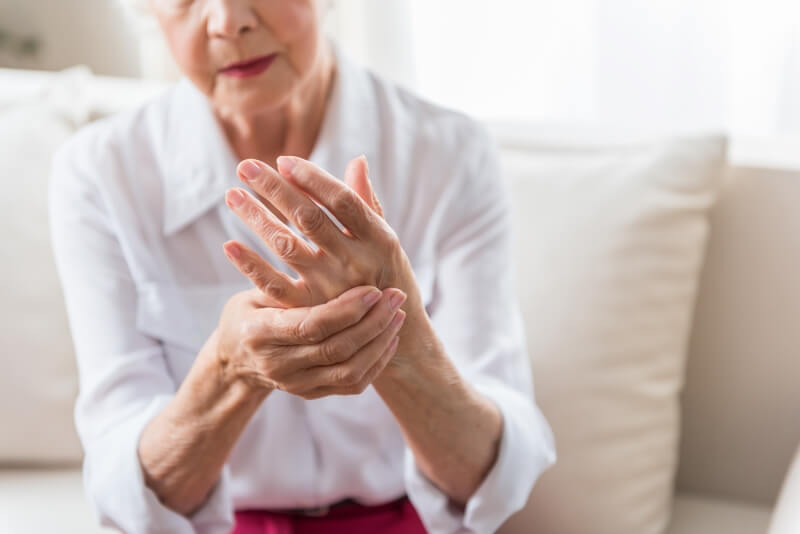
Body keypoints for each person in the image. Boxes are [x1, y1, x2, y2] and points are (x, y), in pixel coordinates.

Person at [47, 1, 555, 533]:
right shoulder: (101, 174)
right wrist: (228, 370)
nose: (227, 21)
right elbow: (122, 488)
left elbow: (496, 474)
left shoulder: (448, 154)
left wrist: (399, 340)